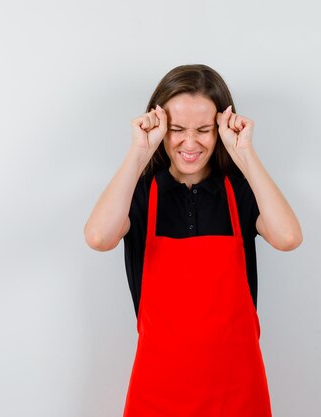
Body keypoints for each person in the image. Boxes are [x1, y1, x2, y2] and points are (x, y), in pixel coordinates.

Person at [84, 64, 302, 417]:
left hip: (237, 387)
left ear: (220, 128)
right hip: (157, 387)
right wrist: (138, 153)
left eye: (203, 130)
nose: (190, 142)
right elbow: (99, 237)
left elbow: (288, 237)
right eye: (176, 129)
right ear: (158, 127)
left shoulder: (238, 190)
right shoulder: (142, 193)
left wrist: (245, 154)